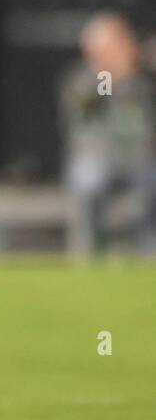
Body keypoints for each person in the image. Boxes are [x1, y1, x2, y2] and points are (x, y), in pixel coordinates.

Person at [59, 13, 156, 253]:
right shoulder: (81, 78)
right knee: (89, 178)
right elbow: (83, 101)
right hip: (96, 157)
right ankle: (89, 249)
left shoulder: (145, 79)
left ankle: (149, 250)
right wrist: (112, 70)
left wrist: (143, 63)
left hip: (140, 159)